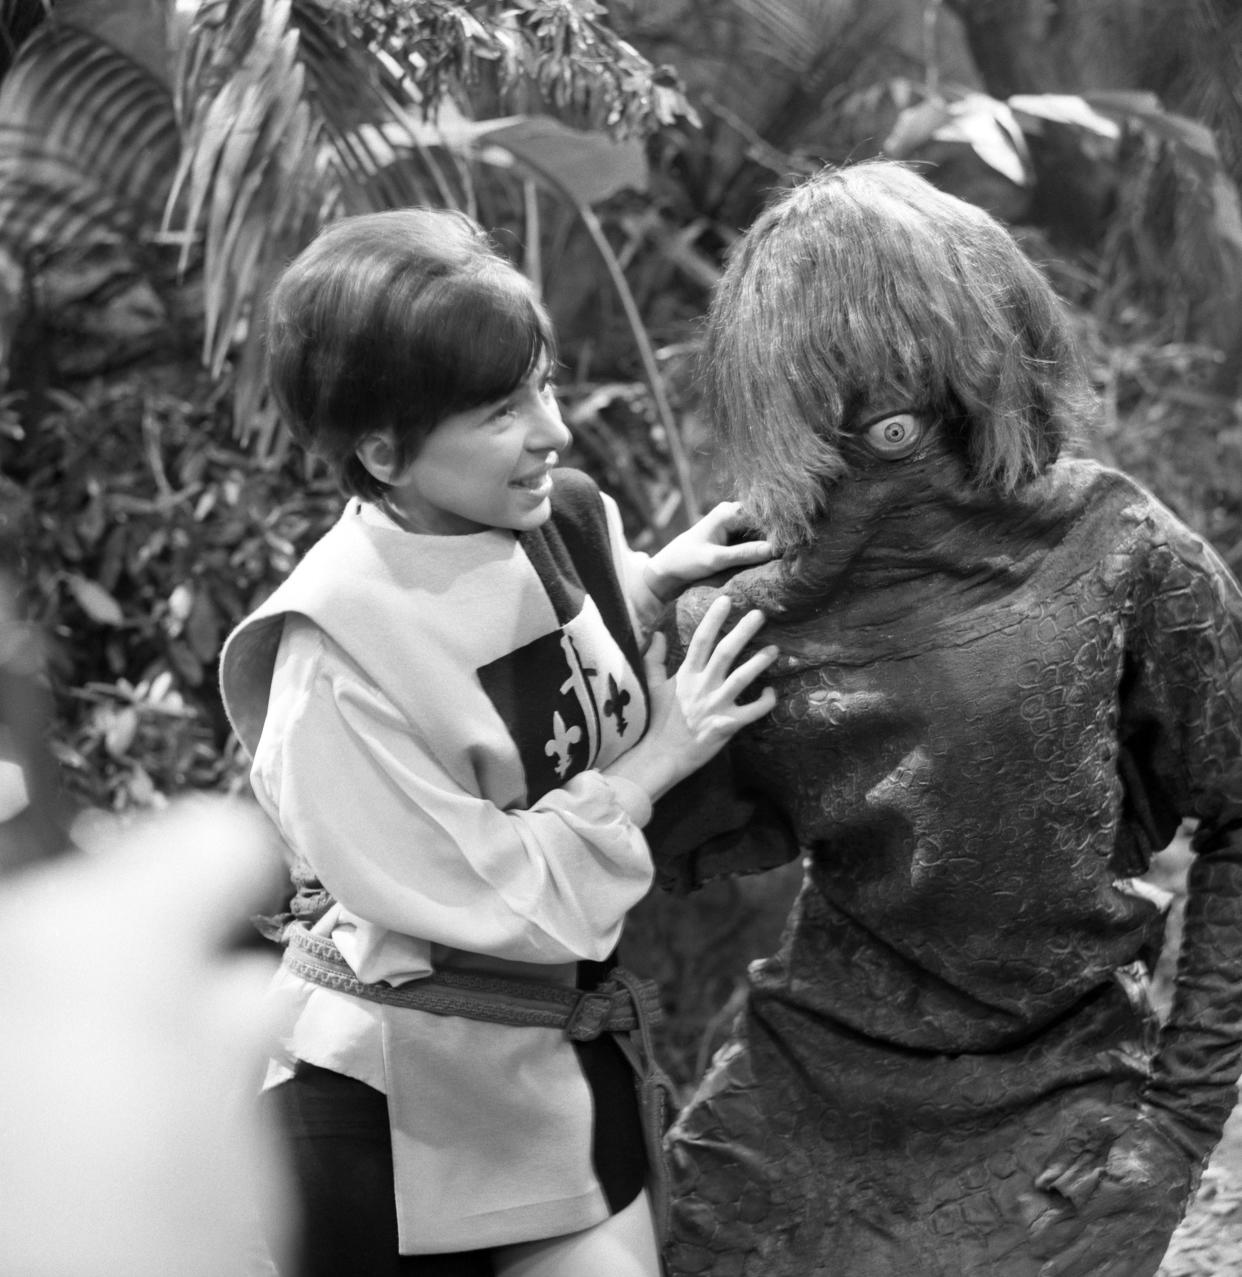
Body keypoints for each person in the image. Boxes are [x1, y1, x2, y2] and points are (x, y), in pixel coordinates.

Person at [648, 158, 1242, 1277]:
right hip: (801, 1088)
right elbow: (631, 840)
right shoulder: (756, 595)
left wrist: (1173, 1125)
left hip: (1062, 1090)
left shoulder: (1121, 547)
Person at [218, 207, 780, 1277]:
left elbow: (547, 673)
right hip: (393, 1107)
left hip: (555, 1057)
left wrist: (653, 580)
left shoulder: (555, 518)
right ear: (382, 448)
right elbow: (498, 892)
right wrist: (664, 754)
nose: (552, 429)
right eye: (499, 409)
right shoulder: (332, 661)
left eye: (543, 383)